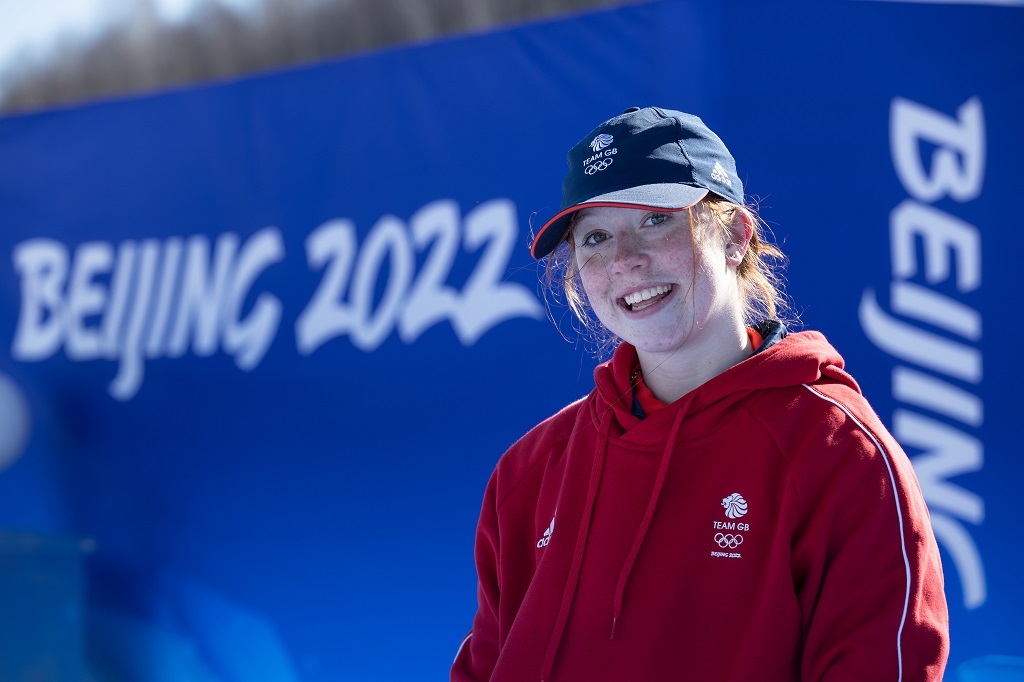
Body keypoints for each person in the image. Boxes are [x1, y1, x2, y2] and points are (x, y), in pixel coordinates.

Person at [450, 106, 949, 681]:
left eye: (656, 220)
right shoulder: (531, 472)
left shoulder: (838, 453)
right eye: (595, 237)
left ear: (734, 235)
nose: (625, 261)